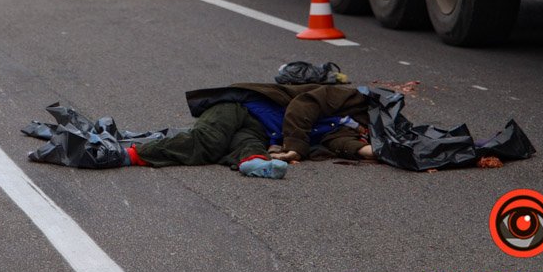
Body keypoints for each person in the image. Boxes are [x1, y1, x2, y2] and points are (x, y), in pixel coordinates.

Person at [123, 82, 374, 179]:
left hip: (260, 133)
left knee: (248, 146)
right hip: (239, 108)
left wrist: (371, 151)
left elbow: (341, 144)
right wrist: (295, 148)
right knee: (208, 142)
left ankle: (253, 162)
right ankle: (127, 154)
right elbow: (302, 107)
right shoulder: (348, 98)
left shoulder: (351, 130)